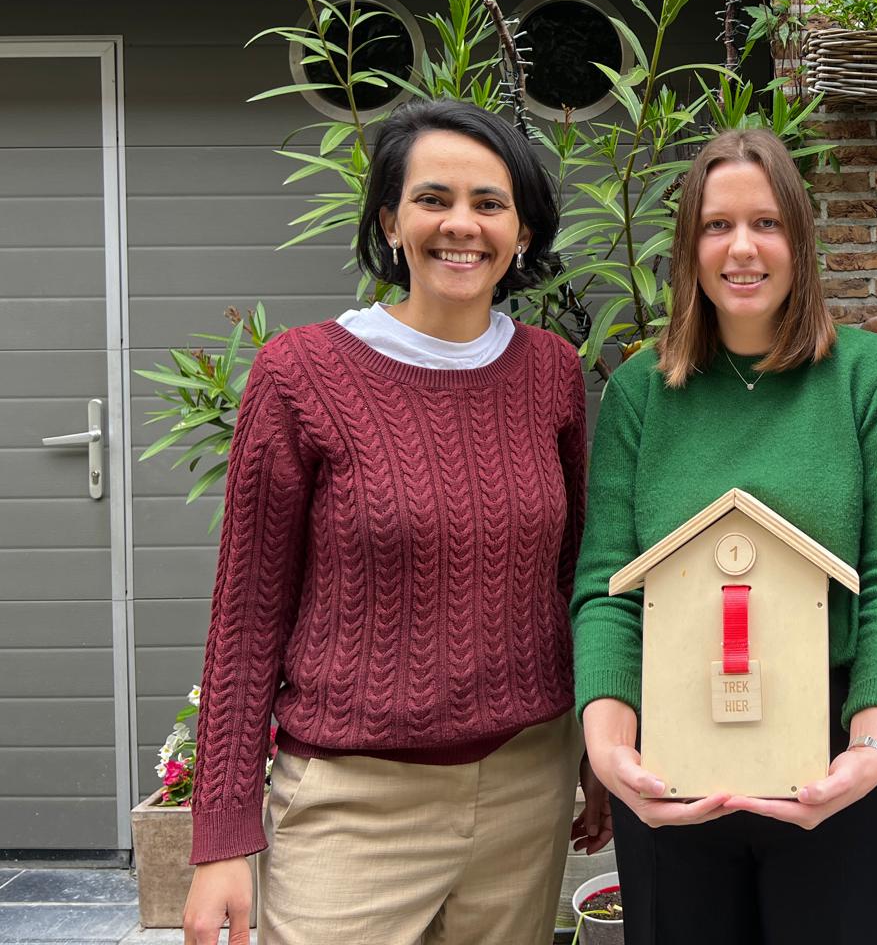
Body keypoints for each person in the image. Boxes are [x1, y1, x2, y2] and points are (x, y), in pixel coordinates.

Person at [182, 100, 611, 945]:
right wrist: (222, 836)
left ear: (522, 230)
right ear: (390, 221)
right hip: (352, 801)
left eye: (490, 203)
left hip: (527, 784)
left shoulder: (552, 372)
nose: (462, 225)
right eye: (432, 199)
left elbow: (572, 578)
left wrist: (596, 749)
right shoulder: (301, 373)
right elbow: (246, 615)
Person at [570, 127, 877, 945]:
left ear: (799, 239)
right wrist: (610, 746)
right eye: (717, 225)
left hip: (833, 762)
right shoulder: (640, 393)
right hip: (671, 765)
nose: (742, 248)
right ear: (688, 248)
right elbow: (608, 585)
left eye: (766, 223)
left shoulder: (868, 379)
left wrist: (874, 745)